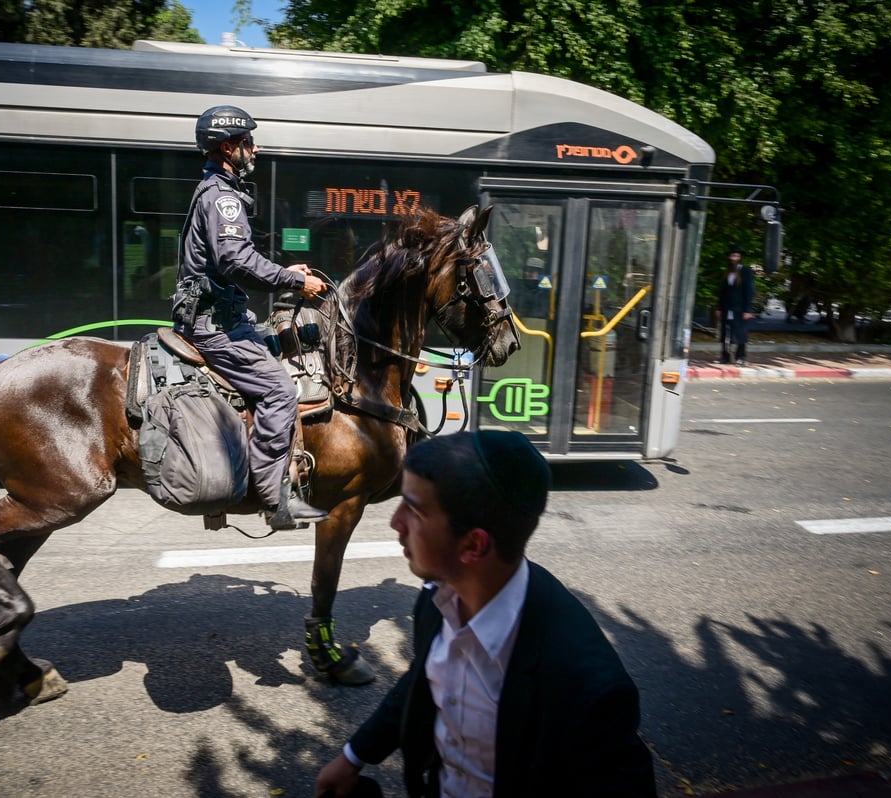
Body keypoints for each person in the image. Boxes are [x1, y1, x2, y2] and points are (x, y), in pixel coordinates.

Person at [314, 430, 656, 797]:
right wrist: (353, 756)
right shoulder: (436, 599)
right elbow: (427, 678)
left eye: (413, 510)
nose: (395, 523)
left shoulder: (585, 685)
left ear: (473, 545)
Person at [176, 105, 329, 531]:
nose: (254, 148)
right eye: (247, 141)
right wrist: (294, 283)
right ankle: (273, 497)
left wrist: (286, 274)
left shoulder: (215, 189)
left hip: (219, 319)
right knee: (281, 391)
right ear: (228, 147)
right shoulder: (223, 197)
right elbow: (235, 260)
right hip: (216, 327)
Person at [714, 245, 755, 365]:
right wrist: (719, 307)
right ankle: (725, 357)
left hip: (740, 309)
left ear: (740, 257)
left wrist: (747, 310)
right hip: (727, 308)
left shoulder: (746, 272)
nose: (734, 258)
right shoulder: (726, 272)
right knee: (725, 334)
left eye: (736, 256)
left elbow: (749, 291)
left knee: (740, 333)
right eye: (732, 255)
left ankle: (740, 357)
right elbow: (722, 292)